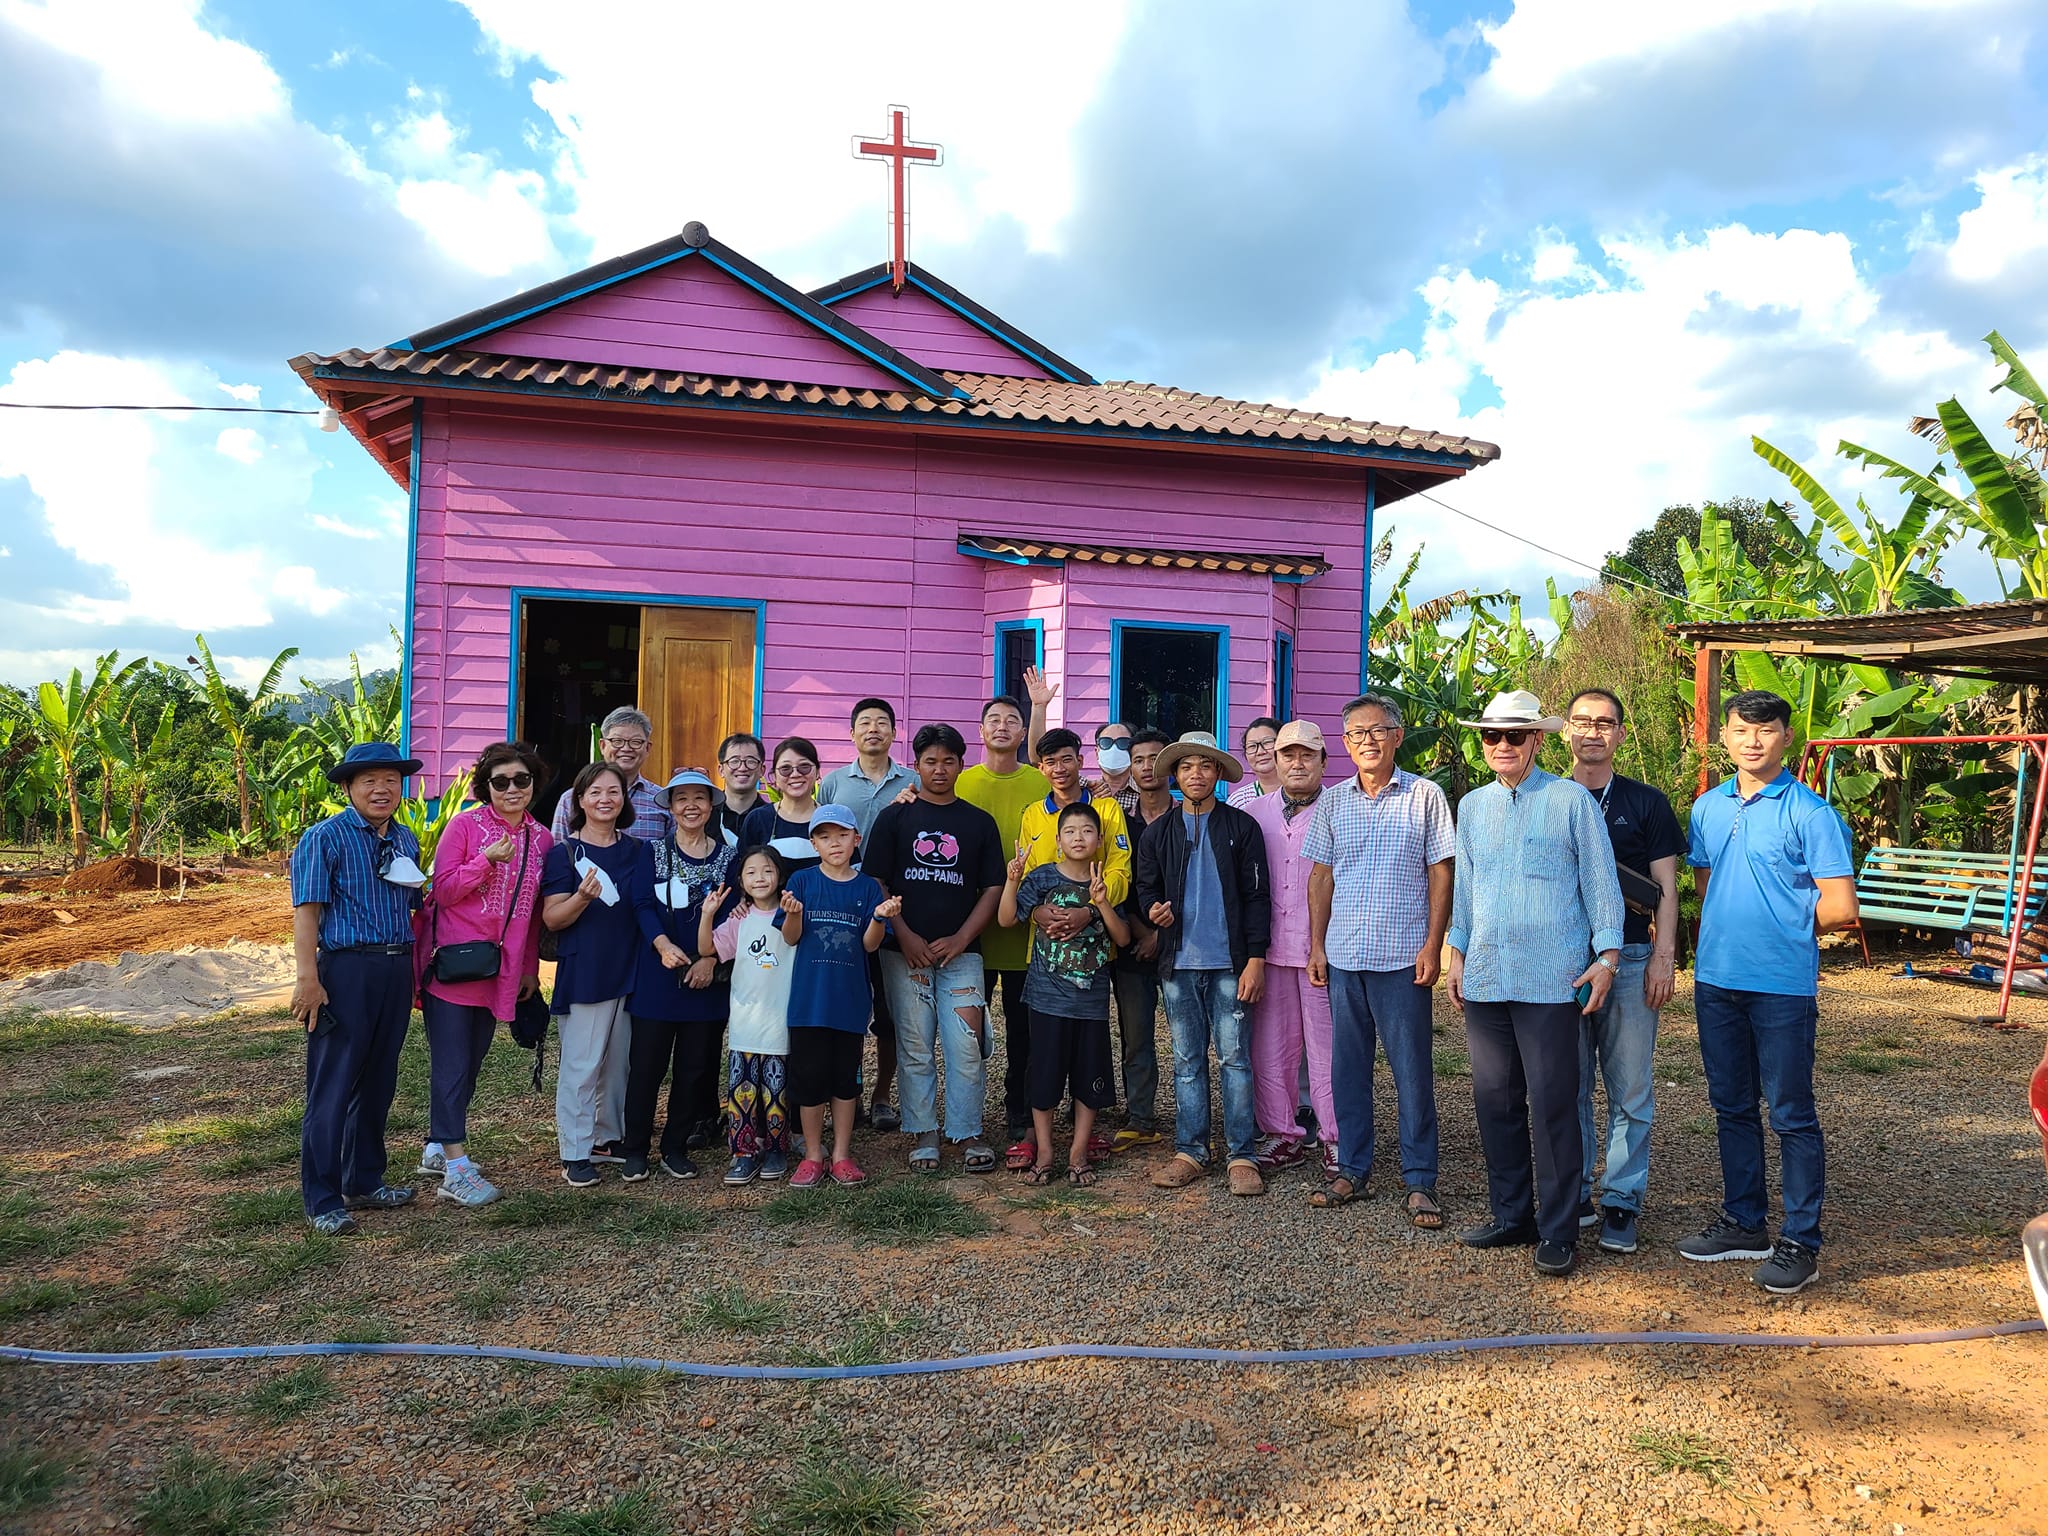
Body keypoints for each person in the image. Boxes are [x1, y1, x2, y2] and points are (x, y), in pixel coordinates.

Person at [1680, 689, 1856, 1295]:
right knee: (1731, 1107)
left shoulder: (1811, 813)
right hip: (1715, 981)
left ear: (1786, 737)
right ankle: (1744, 1222)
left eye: (1765, 729)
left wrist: (1784, 927)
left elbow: (1840, 907)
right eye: (1740, 729)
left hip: (1780, 988)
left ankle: (1800, 1242)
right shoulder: (1707, 807)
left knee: (1791, 1115)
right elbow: (1706, 884)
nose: (1752, 740)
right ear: (1724, 737)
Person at [1446, 691, 1625, 1278]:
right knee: (1495, 1102)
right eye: (1491, 735)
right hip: (1488, 974)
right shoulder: (1472, 806)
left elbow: (1601, 883)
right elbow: (1466, 888)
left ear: (1538, 740)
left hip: (1552, 979)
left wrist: (1607, 957)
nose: (1501, 745)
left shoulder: (1572, 802)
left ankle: (1559, 1228)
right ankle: (1512, 1216)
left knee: (1552, 1105)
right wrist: (1457, 952)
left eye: (1514, 735)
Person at [1305, 694, 1455, 1221]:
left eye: (1377, 731)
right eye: (1356, 733)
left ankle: (1420, 1179)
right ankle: (1353, 1169)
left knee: (1411, 1072)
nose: (1367, 741)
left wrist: (1433, 944)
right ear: (1346, 744)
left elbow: (1441, 871)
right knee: (1348, 1070)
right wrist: (1317, 945)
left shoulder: (1425, 796)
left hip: (1402, 958)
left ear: (1397, 736)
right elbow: (1321, 875)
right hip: (1345, 956)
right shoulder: (1333, 801)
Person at [1562, 688, 1686, 1256]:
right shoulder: (1548, 796)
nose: (1593, 732)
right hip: (1564, 961)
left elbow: (1666, 888)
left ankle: (1621, 1199)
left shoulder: (1646, 802)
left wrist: (1664, 956)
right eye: (1582, 722)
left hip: (1632, 958)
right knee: (1568, 1086)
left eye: (1605, 723)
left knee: (1630, 1088)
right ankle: (1575, 1194)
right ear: (1566, 730)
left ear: (1619, 733)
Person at [289, 742, 427, 1235]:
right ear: (348, 787)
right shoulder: (323, 838)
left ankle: (364, 1180)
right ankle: (323, 1198)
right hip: (346, 970)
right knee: (333, 1084)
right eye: (369, 780)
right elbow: (307, 913)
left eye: (391, 780)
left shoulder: (406, 839)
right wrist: (308, 979)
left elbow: (413, 906)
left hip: (395, 968)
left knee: (378, 1081)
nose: (381, 789)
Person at [415, 741, 552, 1208]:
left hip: (501, 969)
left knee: (471, 1062)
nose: (512, 789)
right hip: (454, 966)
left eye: (521, 780)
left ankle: (437, 1145)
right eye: (501, 781)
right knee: (452, 1063)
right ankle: (455, 1168)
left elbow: (533, 913)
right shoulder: (464, 826)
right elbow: (443, 890)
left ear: (533, 783)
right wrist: (485, 861)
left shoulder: (542, 838)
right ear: (485, 786)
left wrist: (529, 968)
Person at [864, 724, 1005, 1173]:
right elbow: (876, 880)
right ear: (917, 765)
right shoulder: (895, 818)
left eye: (948, 761)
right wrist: (903, 933)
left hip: (963, 954)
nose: (939, 769)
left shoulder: (978, 822)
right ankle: (923, 1130)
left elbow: (993, 887)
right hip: (903, 953)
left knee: (966, 1044)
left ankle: (967, 1131)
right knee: (915, 1044)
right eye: (930, 761)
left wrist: (962, 938)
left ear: (961, 764)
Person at [1137, 731, 1272, 1197]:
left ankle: (1242, 1154)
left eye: (1205, 765)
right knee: (1187, 1059)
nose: (1196, 774)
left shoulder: (1241, 828)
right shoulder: (1158, 832)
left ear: (1218, 774)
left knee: (1235, 1058)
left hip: (1230, 963)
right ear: (1175, 775)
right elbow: (1146, 888)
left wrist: (1256, 959)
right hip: (1178, 964)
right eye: (1186, 766)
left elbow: (1258, 897)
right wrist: (1153, 911)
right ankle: (1191, 1150)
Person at [1014, 728, 1135, 1170]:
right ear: (1041, 768)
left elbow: (1120, 868)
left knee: (1092, 1051)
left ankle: (1084, 1137)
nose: (1060, 769)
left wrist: (1090, 909)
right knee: (1039, 1051)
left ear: (1080, 761)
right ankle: (1036, 1137)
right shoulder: (1033, 813)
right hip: (1046, 957)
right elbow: (1029, 878)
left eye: (1067, 759)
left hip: (1095, 950)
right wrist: (1037, 912)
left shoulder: (1107, 808)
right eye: (1050, 762)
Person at [541, 761, 656, 1188]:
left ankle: (607, 1138)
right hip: (587, 968)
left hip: (633, 966)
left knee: (619, 1063)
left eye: (614, 791)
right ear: (579, 801)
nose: (605, 799)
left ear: (625, 800)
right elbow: (553, 918)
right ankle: (575, 1150)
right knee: (583, 1063)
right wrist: (582, 897)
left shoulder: (639, 851)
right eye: (595, 792)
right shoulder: (564, 854)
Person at [778, 804, 902, 1189]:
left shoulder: (867, 888)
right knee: (810, 1082)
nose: (834, 843)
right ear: (813, 843)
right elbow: (790, 938)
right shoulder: (801, 882)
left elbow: (869, 945)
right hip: (808, 1004)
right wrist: (793, 914)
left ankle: (842, 1154)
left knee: (846, 1082)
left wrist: (879, 918)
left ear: (856, 840)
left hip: (849, 1003)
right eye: (825, 836)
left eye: (842, 835)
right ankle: (813, 1154)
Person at [623, 769, 735, 1183]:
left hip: (706, 981)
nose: (691, 806)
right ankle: (636, 1149)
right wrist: (662, 944)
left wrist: (710, 960)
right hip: (658, 976)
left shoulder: (728, 858)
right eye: (681, 798)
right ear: (670, 807)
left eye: (699, 798)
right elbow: (641, 904)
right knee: (646, 1067)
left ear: (711, 806)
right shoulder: (652, 852)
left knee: (694, 1068)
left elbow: (733, 915)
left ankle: (675, 1146)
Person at [956, 697, 1052, 1166]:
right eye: (992, 719)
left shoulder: (1039, 782)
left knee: (1023, 1030)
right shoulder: (960, 781)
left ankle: (1020, 1112)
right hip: (970, 929)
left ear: (1022, 732)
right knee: (966, 1032)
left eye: (1011, 720)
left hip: (1023, 928)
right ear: (981, 731)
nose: (1001, 726)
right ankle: (966, 1116)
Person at [1241, 722, 1338, 1177]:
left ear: (1323, 761)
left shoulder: (1341, 808)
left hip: (1324, 951)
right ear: (1275, 761)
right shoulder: (1253, 813)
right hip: (1269, 948)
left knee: (1328, 1048)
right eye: (1288, 755)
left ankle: (1336, 1137)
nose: (1297, 764)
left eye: (1307, 755)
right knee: (1270, 1048)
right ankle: (1283, 1134)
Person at [820, 698, 918, 1132]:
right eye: (864, 723)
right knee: (847, 1008)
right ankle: (849, 1094)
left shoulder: (914, 780)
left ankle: (882, 1096)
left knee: (889, 1011)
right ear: (852, 734)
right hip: (841, 912)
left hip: (895, 909)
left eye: (882, 722)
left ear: (894, 733)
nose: (873, 729)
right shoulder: (833, 783)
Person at [701, 846, 796, 1184]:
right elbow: (707, 949)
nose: (760, 878)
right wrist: (708, 914)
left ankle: (776, 1149)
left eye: (768, 871)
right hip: (745, 1023)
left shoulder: (791, 915)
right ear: (741, 881)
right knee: (742, 1093)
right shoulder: (738, 920)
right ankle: (743, 1152)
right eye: (751, 872)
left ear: (780, 876)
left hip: (780, 1022)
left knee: (776, 1092)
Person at [1108, 727, 1173, 1151]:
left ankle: (1196, 1116)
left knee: (1190, 1038)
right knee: (1136, 1036)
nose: (1147, 767)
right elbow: (1116, 882)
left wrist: (1162, 935)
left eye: (1155, 758)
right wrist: (1140, 930)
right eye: (1138, 760)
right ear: (1129, 768)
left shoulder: (1189, 816)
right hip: (1131, 943)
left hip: (1182, 945)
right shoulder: (1118, 820)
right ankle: (1141, 1116)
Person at [549, 707, 672, 845]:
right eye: (617, 741)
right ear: (602, 746)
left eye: (636, 742)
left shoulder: (663, 801)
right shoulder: (571, 800)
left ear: (647, 748)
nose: (626, 748)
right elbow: (559, 852)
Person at [739, 738, 824, 870]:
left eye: (804, 767)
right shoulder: (758, 819)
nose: (795, 774)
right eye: (785, 769)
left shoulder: (831, 820)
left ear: (817, 772)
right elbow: (743, 872)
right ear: (775, 777)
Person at [715, 733, 768, 842]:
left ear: (762, 770)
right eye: (734, 761)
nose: (742, 768)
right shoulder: (706, 817)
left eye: (751, 761)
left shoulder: (771, 817)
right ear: (721, 770)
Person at [1086, 722, 1140, 819]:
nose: (1114, 749)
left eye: (1123, 743)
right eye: (1105, 742)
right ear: (1097, 753)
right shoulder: (1086, 794)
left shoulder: (1145, 795)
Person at [1228, 717, 1283, 805]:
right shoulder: (1239, 801)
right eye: (1252, 746)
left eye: (1267, 742)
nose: (1260, 752)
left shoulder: (1301, 793)